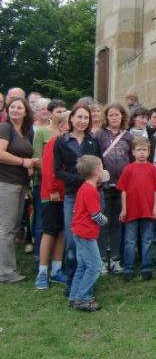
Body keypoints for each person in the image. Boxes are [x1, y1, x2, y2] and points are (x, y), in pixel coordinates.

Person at [54, 103, 101, 287]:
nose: (82, 121)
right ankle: (72, 279)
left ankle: (87, 279)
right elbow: (57, 171)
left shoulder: (93, 141)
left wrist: (96, 182)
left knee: (89, 238)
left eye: (86, 118)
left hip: (92, 196)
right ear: (71, 118)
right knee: (73, 239)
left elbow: (100, 166)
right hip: (73, 196)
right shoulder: (61, 141)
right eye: (79, 117)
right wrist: (82, 181)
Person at [0, 97, 39, 283]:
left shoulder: (23, 132)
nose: (15, 110)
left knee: (12, 228)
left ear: (26, 112)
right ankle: (6, 273)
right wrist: (24, 162)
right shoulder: (5, 128)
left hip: (20, 184)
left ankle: (8, 268)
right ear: (8, 111)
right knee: (6, 229)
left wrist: (30, 166)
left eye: (19, 107)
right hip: (6, 183)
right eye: (12, 107)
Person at [117, 136, 156, 281]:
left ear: (149, 152)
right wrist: (124, 209)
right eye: (139, 150)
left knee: (147, 240)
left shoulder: (153, 169)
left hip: (148, 211)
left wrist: (155, 209)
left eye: (145, 150)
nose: (142, 153)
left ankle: (146, 267)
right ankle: (128, 268)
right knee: (130, 241)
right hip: (131, 210)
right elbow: (123, 190)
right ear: (133, 152)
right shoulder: (128, 169)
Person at [96, 102, 134, 273]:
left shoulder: (128, 136)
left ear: (122, 117)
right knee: (103, 221)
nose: (114, 118)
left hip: (122, 186)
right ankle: (103, 258)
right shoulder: (100, 135)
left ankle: (116, 259)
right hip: (104, 185)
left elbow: (132, 159)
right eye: (111, 115)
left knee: (118, 221)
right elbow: (96, 157)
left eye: (117, 115)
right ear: (106, 117)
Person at [35, 112, 70, 289]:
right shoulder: (55, 142)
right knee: (49, 232)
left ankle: (57, 269)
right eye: (69, 123)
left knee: (62, 232)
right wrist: (53, 190)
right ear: (62, 125)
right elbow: (48, 168)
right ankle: (42, 271)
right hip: (52, 195)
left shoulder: (71, 143)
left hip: (67, 195)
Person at [68, 155, 107, 312]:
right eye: (102, 167)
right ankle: (83, 298)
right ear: (97, 171)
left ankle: (74, 296)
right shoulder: (91, 191)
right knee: (95, 266)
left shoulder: (83, 188)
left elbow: (75, 210)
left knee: (83, 266)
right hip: (86, 234)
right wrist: (105, 220)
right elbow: (95, 215)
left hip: (79, 231)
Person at [32, 99, 67, 262]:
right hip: (49, 188)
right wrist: (52, 188)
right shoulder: (50, 139)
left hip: (65, 190)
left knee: (61, 229)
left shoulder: (68, 141)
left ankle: (57, 265)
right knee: (47, 228)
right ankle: (42, 264)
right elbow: (45, 165)